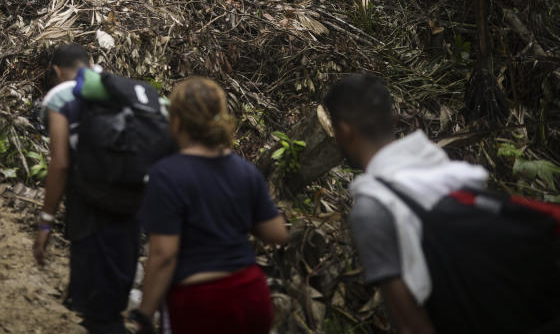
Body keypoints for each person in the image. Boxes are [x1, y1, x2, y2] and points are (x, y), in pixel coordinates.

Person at [323, 74, 560, 334]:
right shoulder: (445, 172)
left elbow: (410, 324)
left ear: (344, 130)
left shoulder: (373, 206)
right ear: (392, 120)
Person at [131, 77, 288, 333]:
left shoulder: (167, 174)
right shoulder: (245, 171)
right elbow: (277, 234)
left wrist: (145, 314)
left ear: (176, 122)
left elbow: (163, 255)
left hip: (199, 301)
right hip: (251, 294)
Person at [33, 44, 140, 333]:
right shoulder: (124, 89)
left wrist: (46, 223)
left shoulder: (61, 96)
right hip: (132, 207)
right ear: (90, 63)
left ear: (57, 71)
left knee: (100, 316)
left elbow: (60, 164)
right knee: (114, 303)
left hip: (90, 214)